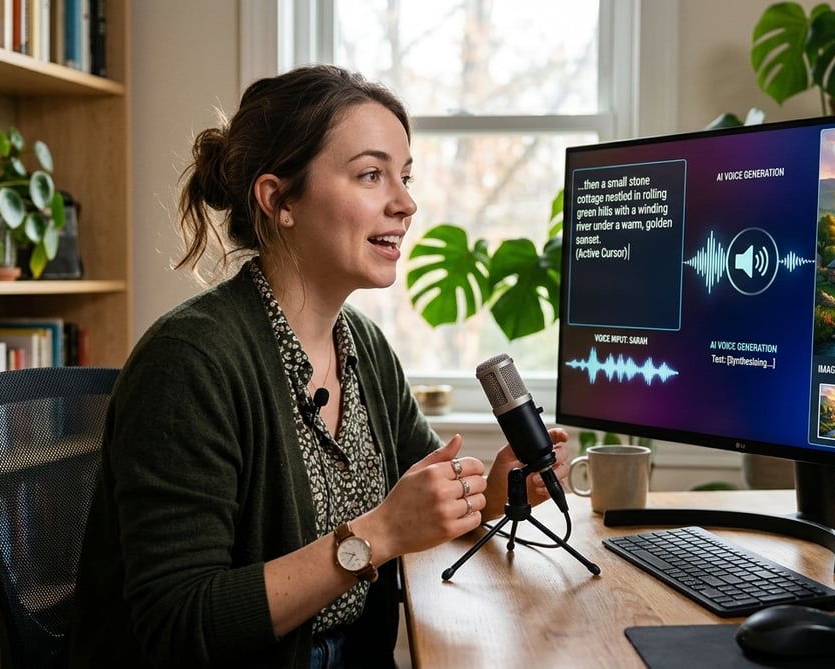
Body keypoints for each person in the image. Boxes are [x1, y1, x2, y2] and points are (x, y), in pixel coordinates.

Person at [68, 64, 571, 668]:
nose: (406, 203)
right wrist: (377, 536)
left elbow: (422, 497)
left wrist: (492, 494)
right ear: (279, 200)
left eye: (404, 177)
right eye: (370, 174)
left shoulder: (362, 346)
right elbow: (178, 622)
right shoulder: (190, 363)